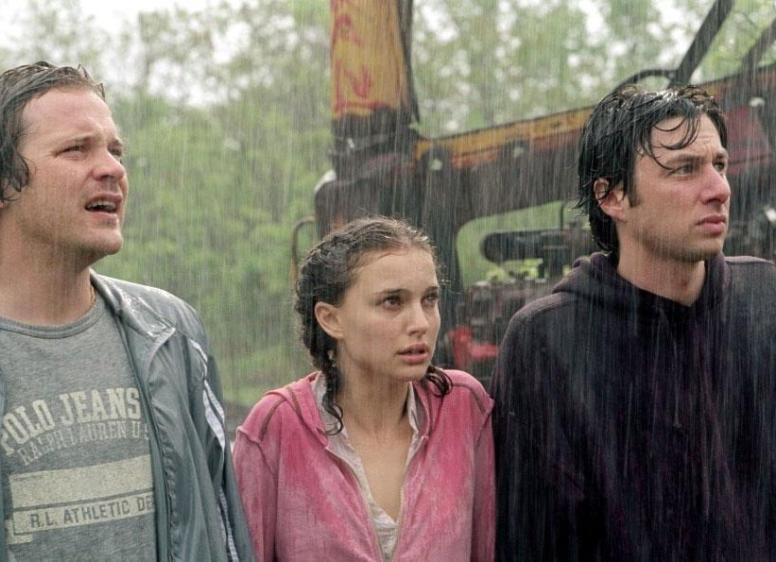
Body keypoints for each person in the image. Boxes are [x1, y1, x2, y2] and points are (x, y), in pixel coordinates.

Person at [491, 84, 776, 561]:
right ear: (612, 196)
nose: (719, 189)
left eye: (720, 165)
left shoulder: (766, 300)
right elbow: (534, 541)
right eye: (685, 168)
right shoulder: (548, 342)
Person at [0, 61, 254, 561]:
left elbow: (222, 527)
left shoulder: (172, 332)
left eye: (115, 151)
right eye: (76, 149)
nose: (112, 169)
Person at [234, 217, 495, 561]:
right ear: (331, 319)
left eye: (429, 300)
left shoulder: (461, 406)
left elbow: (487, 548)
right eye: (392, 302)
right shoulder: (277, 426)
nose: (420, 323)